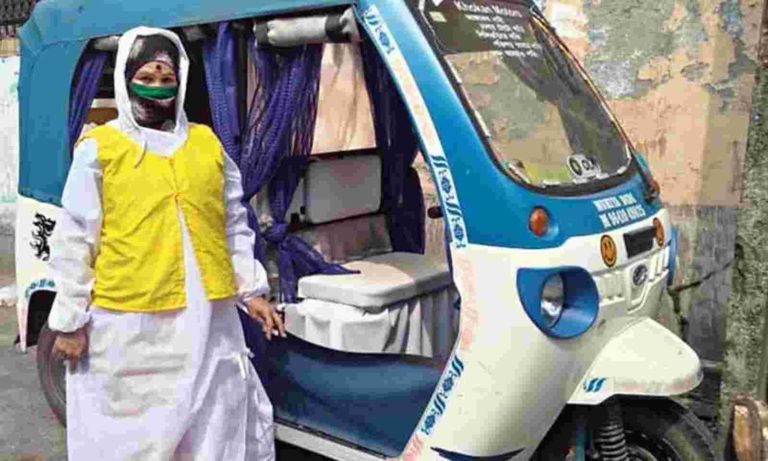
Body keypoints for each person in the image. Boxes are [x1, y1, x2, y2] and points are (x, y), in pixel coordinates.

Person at [47, 26, 284, 460]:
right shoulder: (100, 149)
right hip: (130, 328)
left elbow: (232, 222)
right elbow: (76, 238)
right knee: (136, 435)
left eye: (166, 79)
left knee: (213, 424)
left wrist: (253, 291)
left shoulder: (205, 144)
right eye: (147, 77)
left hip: (208, 324)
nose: (157, 88)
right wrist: (70, 321)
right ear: (125, 79)